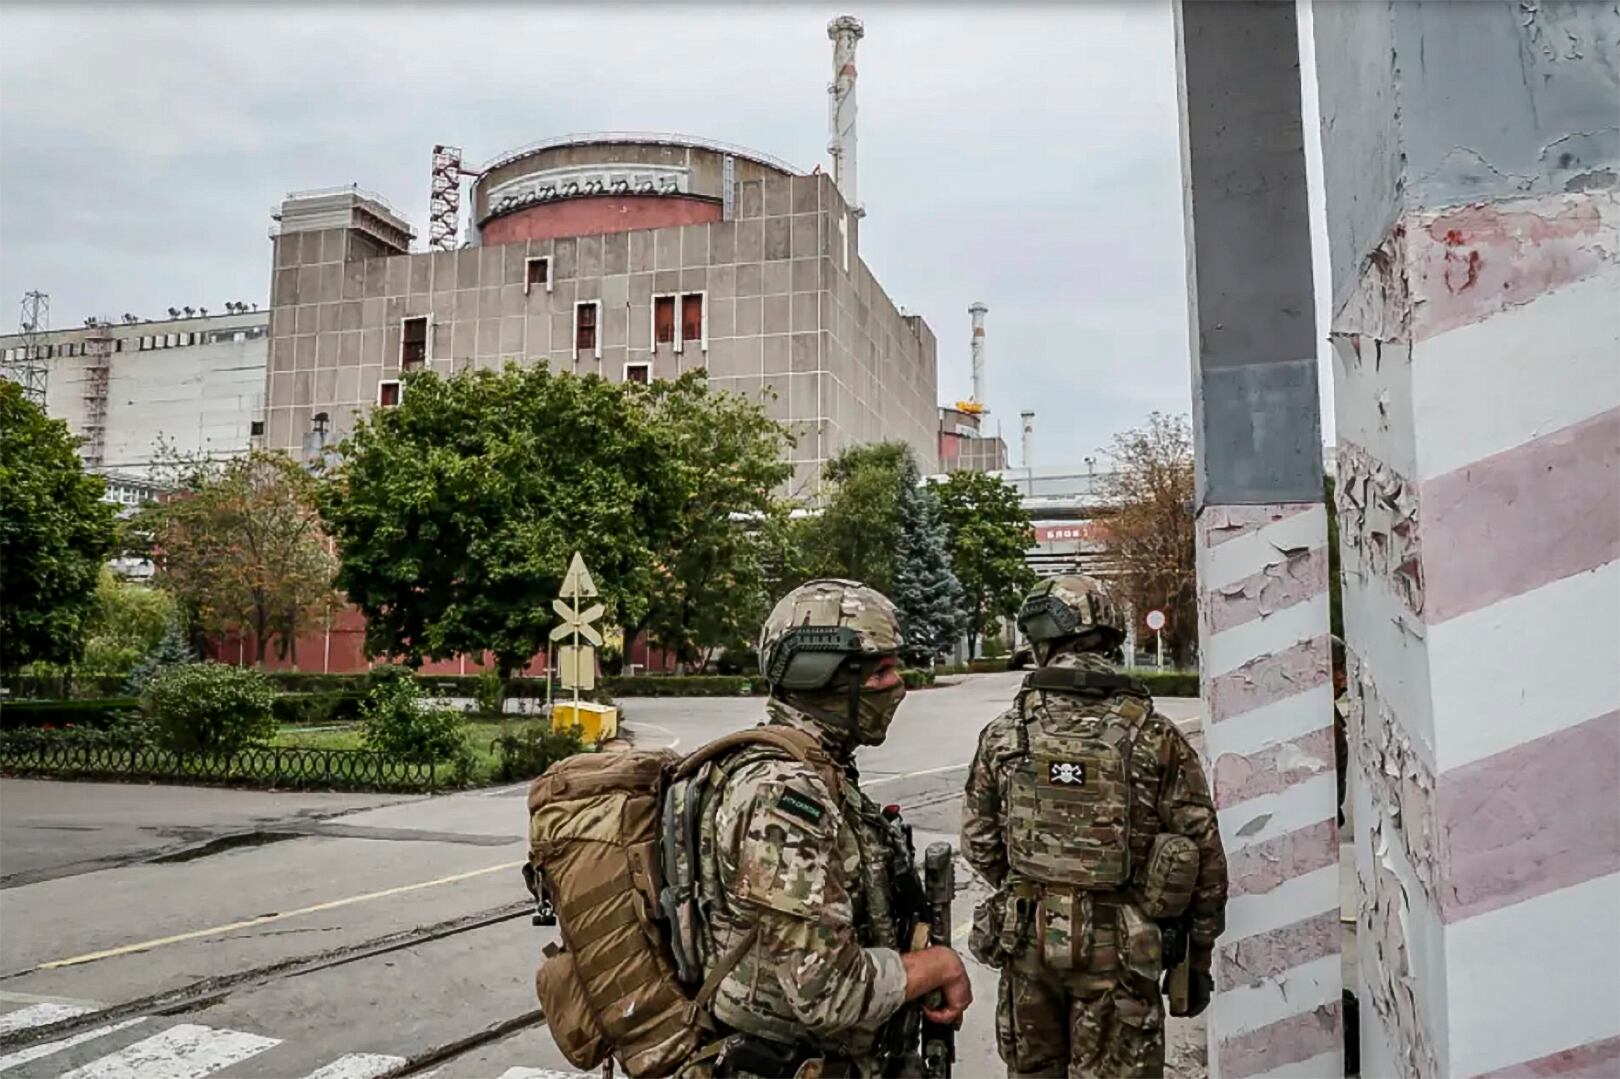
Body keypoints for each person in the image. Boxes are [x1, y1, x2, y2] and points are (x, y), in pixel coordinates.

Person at [679, 578, 972, 1078]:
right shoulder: (783, 796)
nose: (898, 686)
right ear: (824, 676)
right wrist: (939, 966)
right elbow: (827, 991)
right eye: (880, 671)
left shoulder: (818, 769)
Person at [961, 575, 1227, 1078]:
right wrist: (1198, 955)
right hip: (1122, 955)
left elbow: (979, 843)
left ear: (1040, 641)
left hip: (1028, 946)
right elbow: (1203, 852)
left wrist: (1037, 888)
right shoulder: (1155, 734)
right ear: (1109, 637)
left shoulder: (1004, 733)